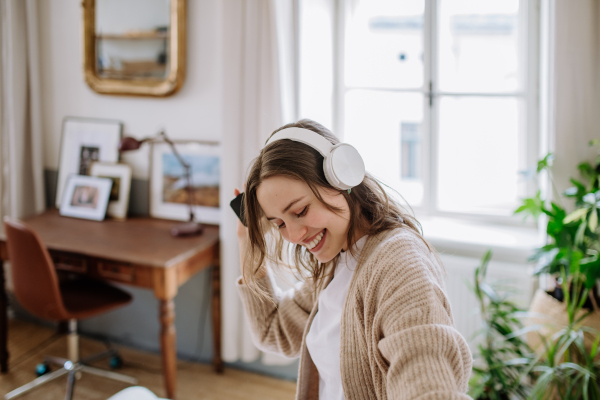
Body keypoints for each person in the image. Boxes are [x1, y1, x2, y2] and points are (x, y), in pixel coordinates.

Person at [234, 119, 473, 400]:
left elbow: (426, 375)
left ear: (342, 178)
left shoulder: (399, 262)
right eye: (279, 224)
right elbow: (272, 330)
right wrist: (246, 239)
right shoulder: (336, 263)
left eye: (299, 211)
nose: (294, 236)